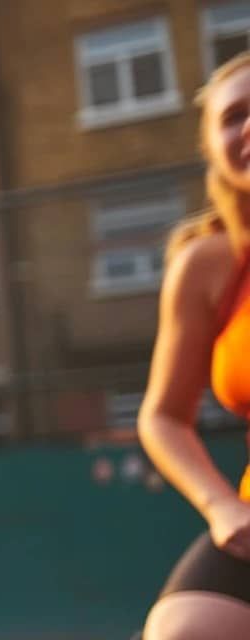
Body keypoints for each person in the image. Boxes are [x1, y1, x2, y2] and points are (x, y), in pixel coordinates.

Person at [139, 52, 250, 640]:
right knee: (183, 630)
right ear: (212, 148)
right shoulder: (207, 265)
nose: (249, 127)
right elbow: (163, 416)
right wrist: (222, 506)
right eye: (234, 117)